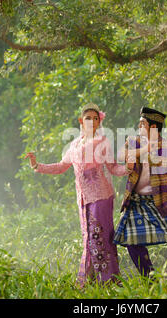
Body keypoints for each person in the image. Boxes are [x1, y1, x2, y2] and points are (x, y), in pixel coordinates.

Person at [25, 103, 132, 288]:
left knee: (100, 237)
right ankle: (89, 283)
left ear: (100, 122)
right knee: (88, 239)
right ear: (81, 121)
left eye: (95, 118)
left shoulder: (103, 142)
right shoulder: (74, 145)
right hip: (83, 200)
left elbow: (113, 167)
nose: (92, 121)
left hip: (101, 196)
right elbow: (61, 166)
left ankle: (109, 282)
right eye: (88, 118)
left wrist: (128, 168)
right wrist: (37, 165)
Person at [113, 107, 167, 279]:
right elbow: (121, 156)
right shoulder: (133, 142)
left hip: (160, 203)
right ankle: (150, 278)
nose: (138, 126)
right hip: (135, 202)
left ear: (153, 127)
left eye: (142, 123)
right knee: (131, 241)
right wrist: (144, 150)